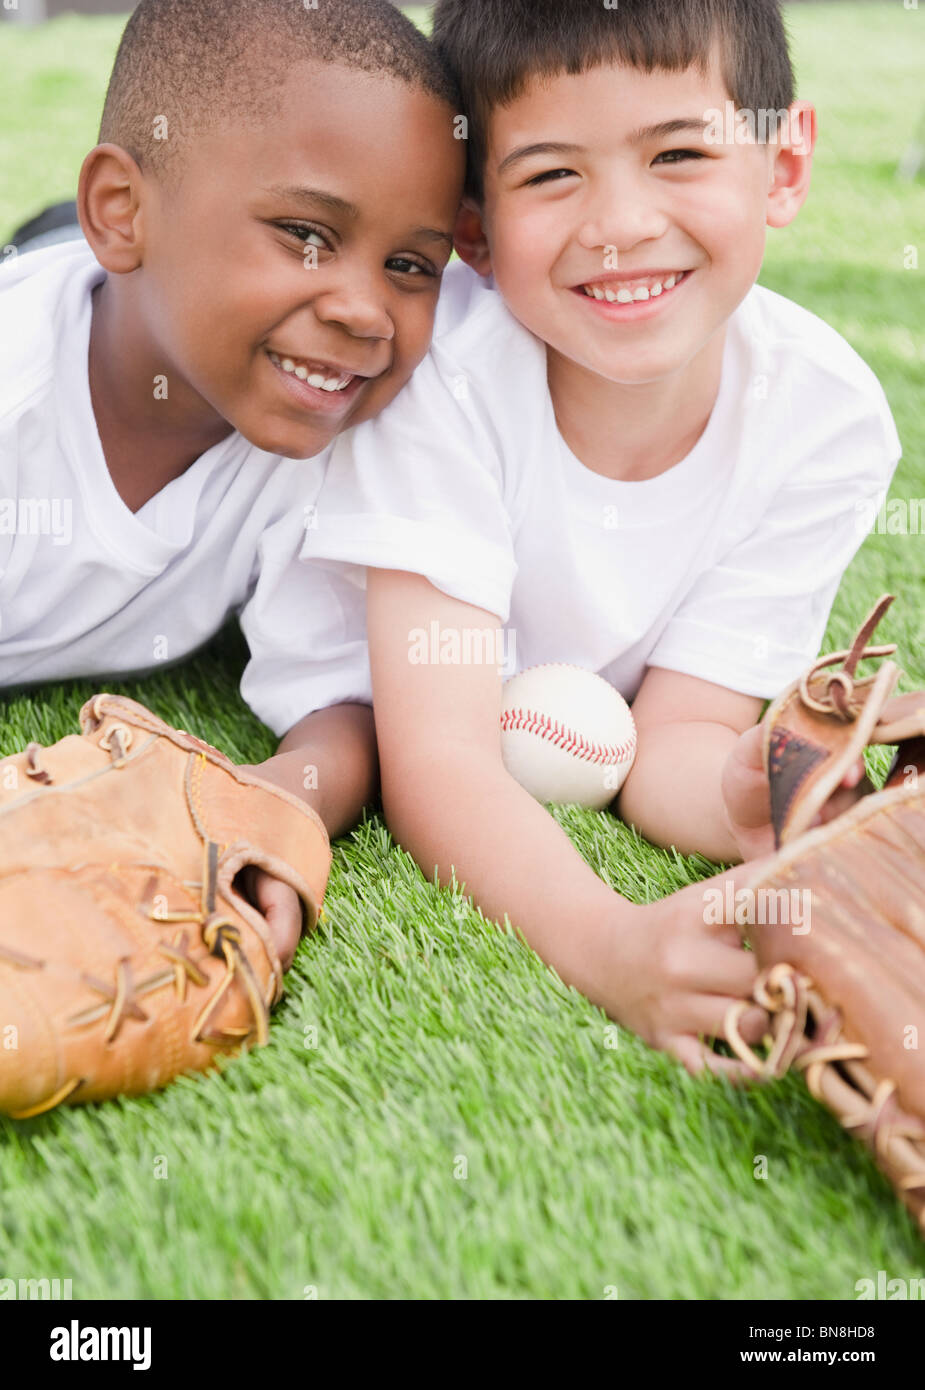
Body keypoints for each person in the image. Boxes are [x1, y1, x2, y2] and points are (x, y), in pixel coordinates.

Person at [300, 0, 903, 1073]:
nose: (618, 225)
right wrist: (611, 944)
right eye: (551, 174)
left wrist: (763, 789)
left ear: (783, 165)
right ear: (474, 226)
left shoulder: (827, 423)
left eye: (677, 151)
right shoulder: (435, 381)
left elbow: (669, 743)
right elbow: (437, 760)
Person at [0, 0, 464, 969]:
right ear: (122, 212)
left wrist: (263, 810)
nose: (364, 310)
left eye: (411, 263)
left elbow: (345, 709)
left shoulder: (332, 425)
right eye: (304, 233)